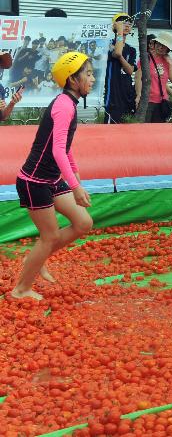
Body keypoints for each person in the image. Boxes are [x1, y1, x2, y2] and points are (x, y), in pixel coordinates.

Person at [11, 52, 95, 300]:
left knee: (83, 223)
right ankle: (21, 289)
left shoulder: (69, 104)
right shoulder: (63, 106)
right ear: (72, 80)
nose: (92, 78)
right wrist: (75, 186)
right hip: (33, 181)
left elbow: (64, 148)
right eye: (88, 74)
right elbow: (57, 150)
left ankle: (37, 257)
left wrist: (76, 179)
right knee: (50, 236)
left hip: (50, 180)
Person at [102, 13, 138, 124]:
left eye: (129, 23)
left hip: (127, 92)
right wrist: (119, 32)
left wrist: (121, 58)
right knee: (111, 128)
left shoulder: (131, 49)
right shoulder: (107, 44)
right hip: (113, 94)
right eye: (123, 23)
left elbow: (130, 70)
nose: (127, 26)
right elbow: (117, 51)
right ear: (115, 26)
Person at [136, 31, 172, 123]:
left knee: (159, 132)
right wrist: (138, 95)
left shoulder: (169, 61)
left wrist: (170, 64)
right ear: (154, 44)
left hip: (162, 102)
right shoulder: (146, 58)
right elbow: (138, 78)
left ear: (168, 49)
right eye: (159, 44)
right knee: (144, 131)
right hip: (147, 101)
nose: (160, 47)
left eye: (164, 46)